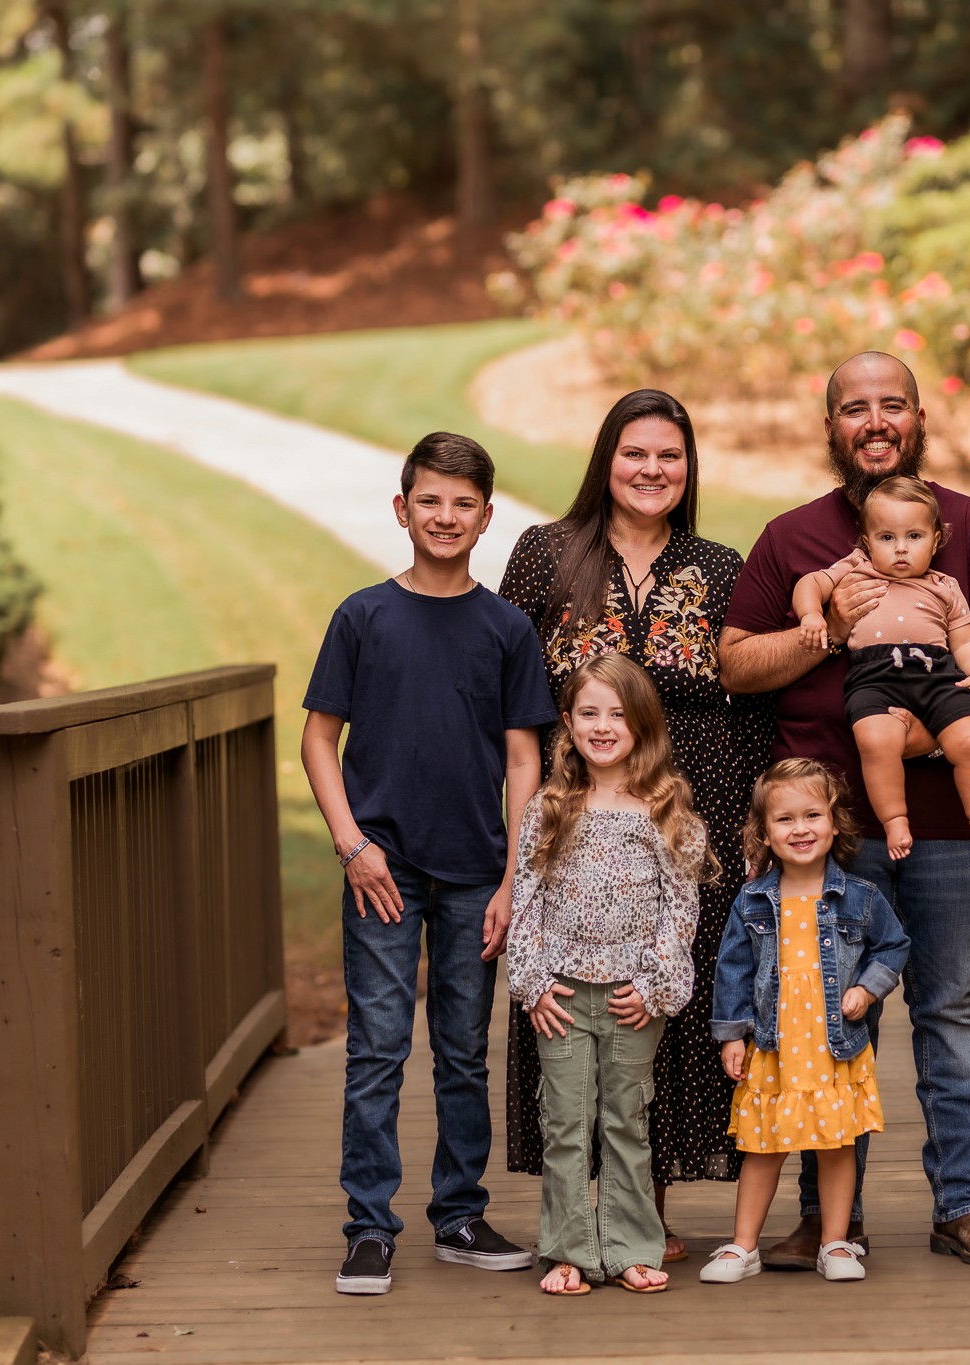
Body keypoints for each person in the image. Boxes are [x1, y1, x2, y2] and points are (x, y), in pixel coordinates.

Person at [719, 351, 970, 1270]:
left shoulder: (968, 528)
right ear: (829, 427)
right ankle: (836, 1219)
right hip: (824, 839)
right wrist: (817, 628)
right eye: (853, 407)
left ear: (918, 418)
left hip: (951, 821)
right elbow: (736, 662)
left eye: (890, 405)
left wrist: (921, 738)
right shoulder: (791, 539)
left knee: (951, 1006)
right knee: (817, 1013)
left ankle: (965, 1205)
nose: (873, 420)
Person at [497, 388, 773, 1261]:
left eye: (670, 456)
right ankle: (575, 1218)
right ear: (604, 460)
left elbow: (755, 698)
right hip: (574, 808)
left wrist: (759, 815)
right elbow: (508, 699)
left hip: (697, 801)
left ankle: (639, 1212)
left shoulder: (721, 565)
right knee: (574, 1004)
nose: (652, 471)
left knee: (666, 986)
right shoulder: (546, 554)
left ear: (689, 468)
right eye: (634, 454)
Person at [301, 432, 555, 1296]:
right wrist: (352, 844)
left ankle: (460, 1214)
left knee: (462, 1051)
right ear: (402, 508)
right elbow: (317, 738)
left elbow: (524, 759)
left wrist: (516, 877)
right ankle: (369, 1225)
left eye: (464, 503)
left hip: (477, 869)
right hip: (383, 868)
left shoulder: (506, 627)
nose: (445, 516)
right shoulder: (363, 616)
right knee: (376, 1047)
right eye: (430, 500)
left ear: (486, 517)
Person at [506, 655, 714, 1295]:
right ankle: (567, 1251)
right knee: (565, 1123)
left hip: (633, 998)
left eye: (617, 715)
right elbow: (525, 903)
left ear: (642, 725)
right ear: (567, 723)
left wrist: (657, 988)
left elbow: (681, 910)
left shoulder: (666, 810)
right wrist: (532, 983)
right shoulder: (549, 807)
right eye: (588, 713)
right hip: (562, 996)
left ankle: (630, 1248)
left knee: (626, 1121)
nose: (602, 727)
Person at [700, 759, 908, 1285]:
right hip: (773, 1044)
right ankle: (743, 1246)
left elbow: (894, 945)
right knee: (763, 1144)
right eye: (785, 819)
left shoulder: (860, 896)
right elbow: (733, 968)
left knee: (837, 1145)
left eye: (812, 815)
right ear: (763, 834)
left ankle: (835, 1243)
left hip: (834, 1043)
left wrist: (866, 988)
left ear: (834, 823)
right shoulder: (752, 900)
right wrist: (732, 1035)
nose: (800, 829)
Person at [792, 474, 970, 862]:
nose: (901, 549)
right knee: (877, 741)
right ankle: (895, 820)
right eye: (887, 538)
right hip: (874, 676)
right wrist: (811, 615)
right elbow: (811, 582)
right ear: (866, 542)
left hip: (937, 674)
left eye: (914, 536)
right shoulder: (856, 568)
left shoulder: (944, 585)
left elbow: (965, 639)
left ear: (936, 540)